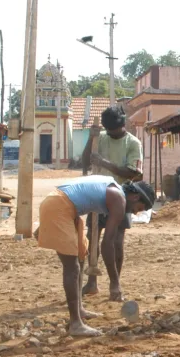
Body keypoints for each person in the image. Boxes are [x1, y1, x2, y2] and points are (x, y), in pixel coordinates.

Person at [37, 175, 154, 336]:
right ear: (134, 197)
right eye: (138, 208)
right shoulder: (118, 199)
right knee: (72, 267)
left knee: (81, 256)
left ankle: (79, 310)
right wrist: (115, 283)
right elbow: (107, 244)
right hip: (60, 206)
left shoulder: (114, 190)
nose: (134, 213)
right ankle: (75, 324)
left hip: (62, 205)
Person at [82, 106, 144, 296]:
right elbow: (85, 162)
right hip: (98, 194)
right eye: (109, 131)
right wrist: (90, 139)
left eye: (115, 131)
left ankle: (114, 283)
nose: (112, 134)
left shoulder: (133, 143)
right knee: (93, 238)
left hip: (121, 196)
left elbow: (133, 173)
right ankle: (92, 281)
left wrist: (104, 162)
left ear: (123, 124)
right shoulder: (99, 139)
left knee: (116, 242)